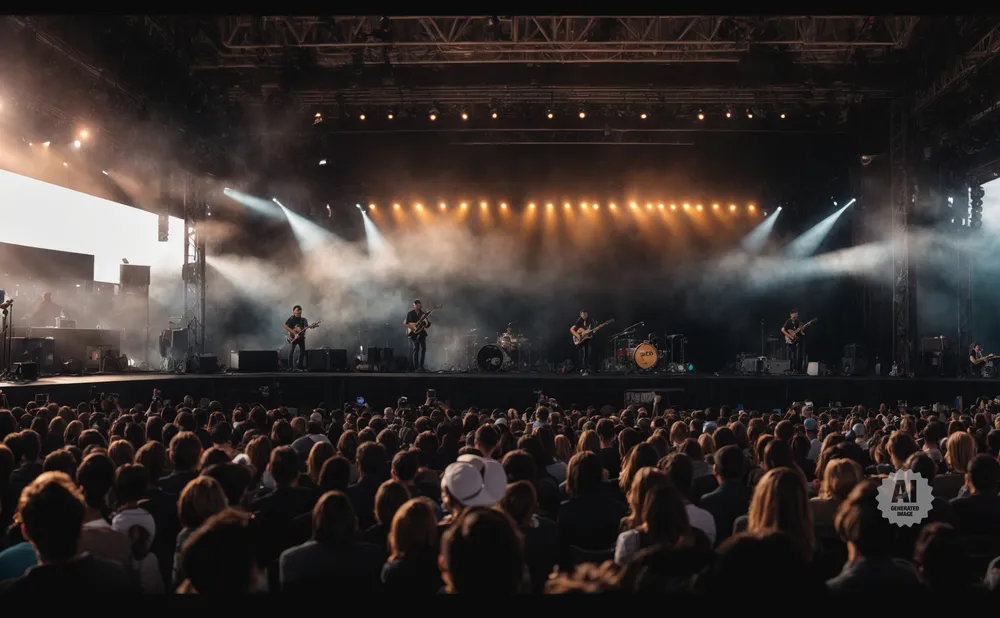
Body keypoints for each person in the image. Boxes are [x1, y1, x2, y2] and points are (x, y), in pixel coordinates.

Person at [403, 300, 430, 372]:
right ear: (414, 305)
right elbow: (405, 323)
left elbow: (427, 325)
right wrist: (412, 326)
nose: (418, 306)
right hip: (414, 334)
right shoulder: (410, 313)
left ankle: (421, 366)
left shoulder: (423, 314)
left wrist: (426, 323)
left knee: (423, 349)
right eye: (416, 305)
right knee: (416, 349)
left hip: (422, 333)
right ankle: (416, 367)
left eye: (419, 305)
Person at [283, 305, 309, 371]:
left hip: (301, 338)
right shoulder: (291, 319)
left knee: (302, 352)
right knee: (291, 351)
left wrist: (303, 330)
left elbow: (305, 327)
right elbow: (285, 326)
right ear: (293, 311)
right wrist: (294, 333)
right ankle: (290, 367)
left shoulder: (303, 320)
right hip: (293, 338)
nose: (298, 312)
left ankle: (300, 366)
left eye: (300, 311)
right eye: (297, 310)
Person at [570, 310, 594, 376]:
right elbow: (572, 329)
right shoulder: (578, 321)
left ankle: (587, 368)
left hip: (587, 338)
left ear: (587, 314)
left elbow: (592, 329)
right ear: (581, 315)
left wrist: (591, 333)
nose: (584, 315)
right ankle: (582, 368)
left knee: (588, 353)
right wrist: (578, 336)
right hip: (580, 339)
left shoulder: (590, 321)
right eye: (583, 314)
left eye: (585, 314)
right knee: (581, 354)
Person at [780, 309, 805, 374]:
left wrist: (801, 330)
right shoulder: (788, 321)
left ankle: (797, 369)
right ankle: (790, 369)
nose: (795, 317)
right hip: (790, 340)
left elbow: (799, 330)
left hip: (796, 341)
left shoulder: (798, 322)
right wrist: (790, 336)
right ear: (791, 315)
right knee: (790, 355)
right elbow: (782, 329)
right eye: (794, 316)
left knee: (796, 355)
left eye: (796, 316)